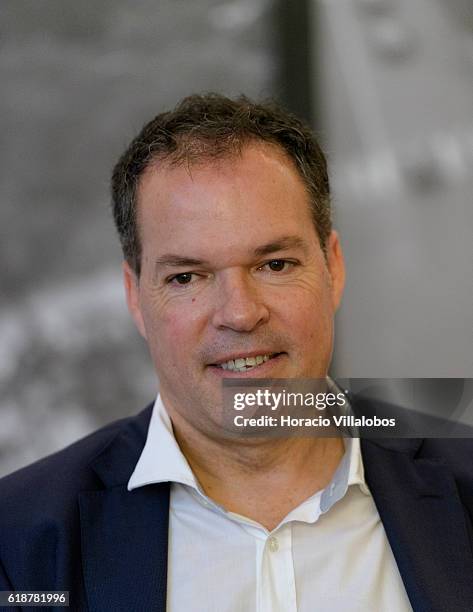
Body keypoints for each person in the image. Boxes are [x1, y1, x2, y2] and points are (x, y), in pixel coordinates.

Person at [0, 94, 472, 612]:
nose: (240, 313)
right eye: (187, 277)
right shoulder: (17, 544)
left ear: (332, 267)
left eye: (274, 265)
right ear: (136, 297)